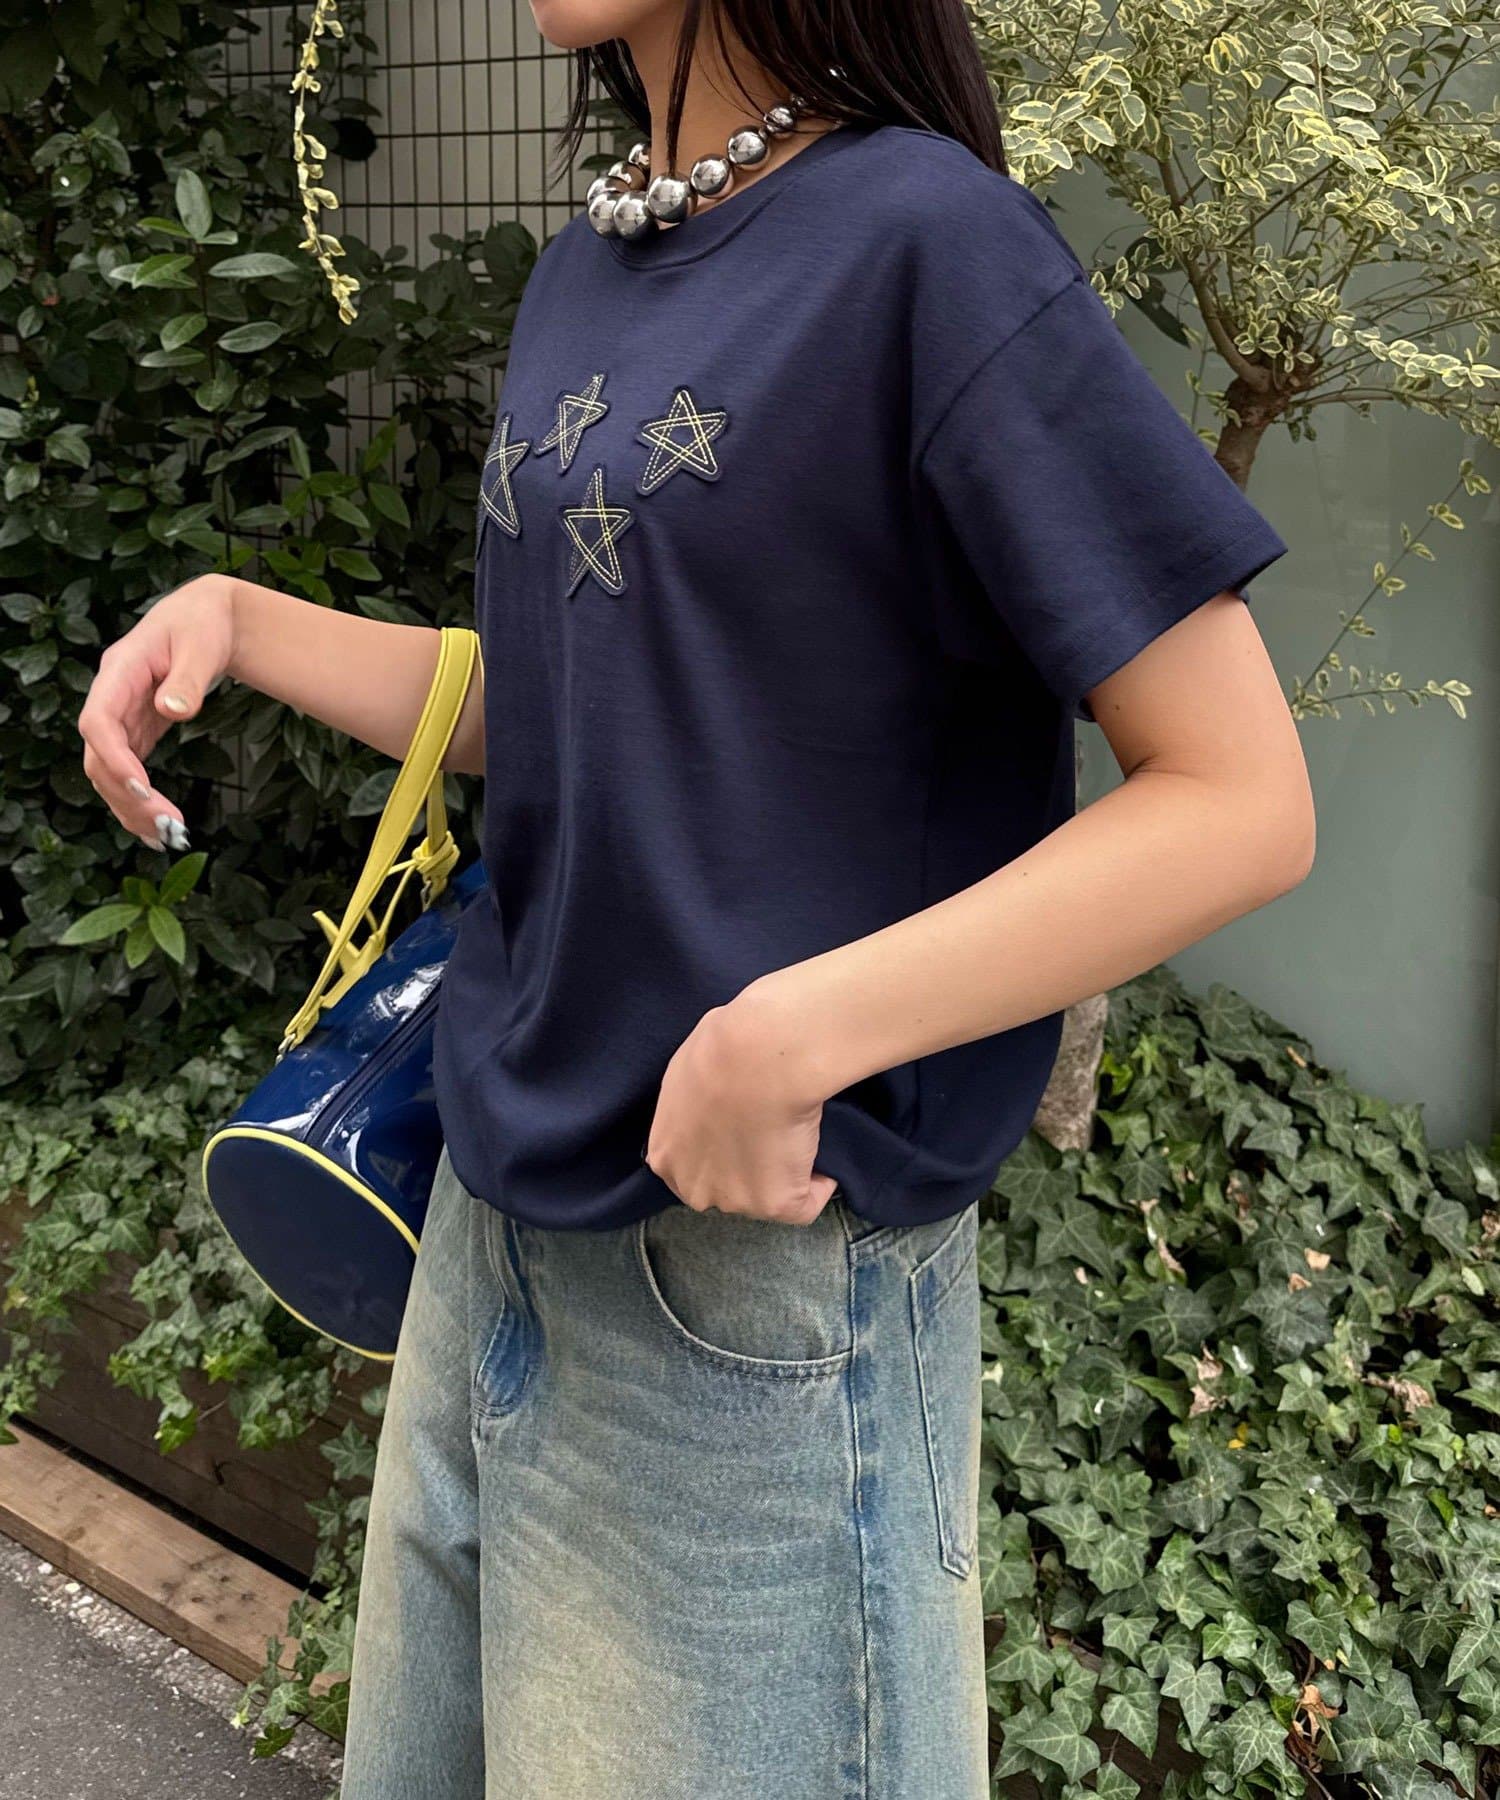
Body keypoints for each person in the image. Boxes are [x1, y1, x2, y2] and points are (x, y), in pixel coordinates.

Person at [78, 0, 1315, 1793]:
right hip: (493, 1238)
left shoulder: (932, 246)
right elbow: (576, 708)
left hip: (750, 1301)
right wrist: (239, 620)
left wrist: (801, 1031)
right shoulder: (588, 266)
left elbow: (1240, 798)